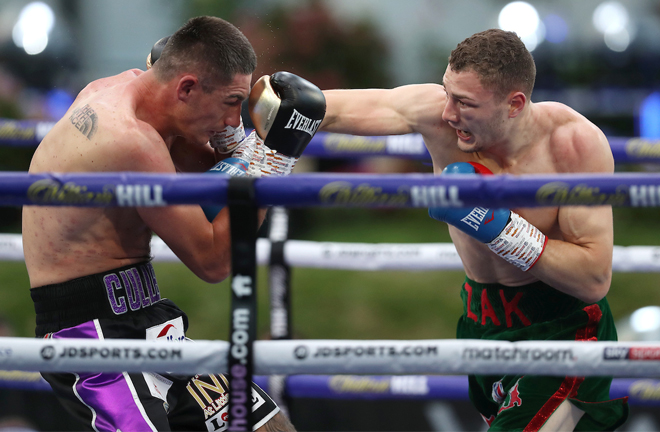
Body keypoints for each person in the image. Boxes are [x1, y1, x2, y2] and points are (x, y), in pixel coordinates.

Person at [22, 16, 324, 432]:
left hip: (147, 314)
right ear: (185, 88)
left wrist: (237, 146)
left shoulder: (128, 92)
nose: (235, 119)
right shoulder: (129, 141)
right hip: (93, 335)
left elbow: (204, 171)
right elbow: (215, 262)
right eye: (232, 102)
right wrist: (274, 161)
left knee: (269, 427)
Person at [320, 29, 628, 431]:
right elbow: (329, 107)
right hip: (482, 323)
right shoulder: (443, 116)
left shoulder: (571, 144)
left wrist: (498, 228)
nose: (448, 113)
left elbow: (593, 278)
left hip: (563, 333)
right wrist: (262, 106)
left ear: (514, 104)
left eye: (465, 103)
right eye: (448, 93)